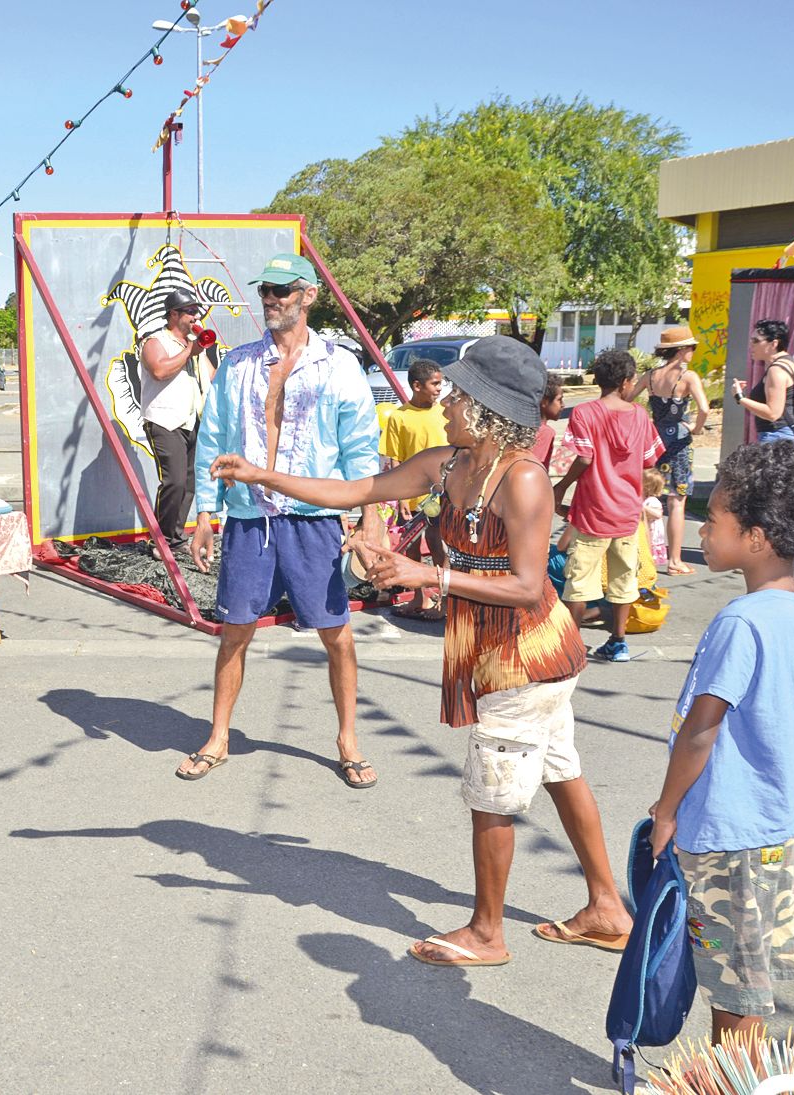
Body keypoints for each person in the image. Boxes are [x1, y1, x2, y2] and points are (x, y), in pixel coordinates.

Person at [212, 336, 630, 966]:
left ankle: (488, 935)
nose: (449, 404)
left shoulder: (523, 481)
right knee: (559, 771)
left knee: (492, 791)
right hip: (503, 652)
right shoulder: (448, 465)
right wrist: (262, 474)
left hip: (525, 657)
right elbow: (359, 491)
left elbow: (524, 586)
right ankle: (606, 908)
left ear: (490, 410)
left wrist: (424, 575)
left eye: (461, 396)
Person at [647, 441, 794, 1047]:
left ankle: (732, 1080)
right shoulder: (789, 605)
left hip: (724, 828)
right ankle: (739, 1075)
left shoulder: (740, 621)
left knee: (732, 985)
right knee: (747, 974)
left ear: (757, 537)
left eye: (714, 521)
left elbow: (701, 728)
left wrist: (664, 811)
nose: (703, 532)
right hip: (766, 823)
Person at [178, 253, 384, 787]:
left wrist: (370, 519)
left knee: (336, 634)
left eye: (282, 290)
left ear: (308, 295)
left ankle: (348, 740)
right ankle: (219, 736)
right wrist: (205, 511)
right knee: (234, 632)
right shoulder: (239, 364)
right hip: (249, 519)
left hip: (313, 519)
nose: (270, 299)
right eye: (265, 290)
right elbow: (213, 441)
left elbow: (362, 449)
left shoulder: (339, 365)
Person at [552, 349, 665, 663]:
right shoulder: (640, 416)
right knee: (623, 578)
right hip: (628, 512)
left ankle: (571, 645)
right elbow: (649, 460)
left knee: (579, 581)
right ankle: (618, 642)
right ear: (627, 382)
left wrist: (561, 486)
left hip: (593, 512)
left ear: (598, 380)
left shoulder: (585, 413)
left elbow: (584, 457)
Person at [139, 287, 211, 556]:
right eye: (190, 311)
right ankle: (160, 540)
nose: (195, 316)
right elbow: (159, 370)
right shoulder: (155, 341)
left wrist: (208, 352)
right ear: (173, 314)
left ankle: (176, 537)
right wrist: (191, 350)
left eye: (196, 311)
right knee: (175, 482)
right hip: (164, 420)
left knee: (190, 484)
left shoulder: (194, 346)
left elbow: (211, 376)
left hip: (192, 421)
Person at [380, 358, 448, 620]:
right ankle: (420, 598)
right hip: (410, 497)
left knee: (438, 546)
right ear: (417, 386)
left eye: (440, 383)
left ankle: (444, 600)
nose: (439, 389)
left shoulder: (444, 412)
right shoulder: (399, 417)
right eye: (435, 384)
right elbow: (395, 460)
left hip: (441, 494)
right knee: (411, 549)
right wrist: (399, 499)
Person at [645, 327, 710, 574]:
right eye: (692, 347)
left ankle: (644, 553)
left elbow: (627, 398)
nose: (693, 351)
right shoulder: (688, 376)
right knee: (677, 501)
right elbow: (703, 408)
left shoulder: (651, 375)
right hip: (679, 442)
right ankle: (674, 560)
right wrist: (696, 428)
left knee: (649, 496)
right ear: (682, 350)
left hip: (655, 439)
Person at [731, 319, 794, 443]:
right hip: (783, 434)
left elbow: (773, 413)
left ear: (774, 344)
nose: (751, 345)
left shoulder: (776, 370)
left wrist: (740, 397)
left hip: (776, 436)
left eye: (756, 341)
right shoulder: (789, 363)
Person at [531, 375, 564, 467]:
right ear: (544, 402)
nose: (563, 405)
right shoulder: (545, 432)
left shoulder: (525, 427)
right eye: (559, 400)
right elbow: (535, 467)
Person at [642, 467, 667, 568]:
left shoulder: (652, 501)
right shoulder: (644, 499)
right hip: (646, 534)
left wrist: (643, 508)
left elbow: (658, 514)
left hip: (652, 537)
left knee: (649, 561)